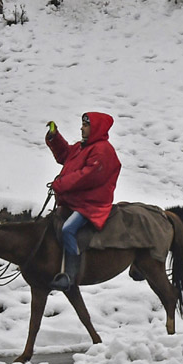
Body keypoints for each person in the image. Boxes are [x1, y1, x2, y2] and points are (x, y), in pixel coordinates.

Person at [45, 112, 122, 290]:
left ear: (96, 128)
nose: (81, 128)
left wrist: (60, 184)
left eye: (86, 125)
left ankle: (70, 276)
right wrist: (54, 137)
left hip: (91, 205)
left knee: (68, 229)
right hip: (76, 202)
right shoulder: (83, 147)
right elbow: (65, 154)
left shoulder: (103, 150)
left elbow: (87, 176)